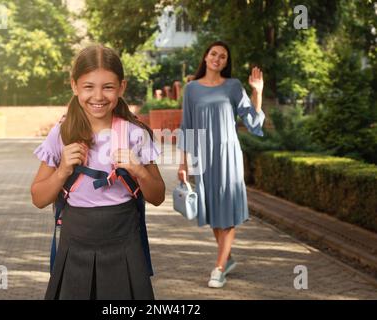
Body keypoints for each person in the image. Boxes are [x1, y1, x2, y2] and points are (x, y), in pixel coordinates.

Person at [31, 44, 165, 299]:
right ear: (74, 86)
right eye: (89, 86)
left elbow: (157, 196)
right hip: (75, 242)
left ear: (122, 87)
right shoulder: (61, 134)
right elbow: (38, 198)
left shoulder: (135, 134)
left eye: (108, 87)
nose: (98, 96)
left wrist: (139, 170)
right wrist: (62, 171)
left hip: (124, 241)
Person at [177, 41, 265, 288]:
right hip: (203, 157)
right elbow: (187, 127)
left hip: (228, 156)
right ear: (205, 57)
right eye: (214, 54)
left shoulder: (233, 86)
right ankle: (226, 257)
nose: (217, 58)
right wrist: (183, 162)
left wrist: (257, 92)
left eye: (223, 56)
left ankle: (218, 268)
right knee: (214, 211)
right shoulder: (192, 89)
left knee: (226, 212)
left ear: (226, 62)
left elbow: (252, 122)